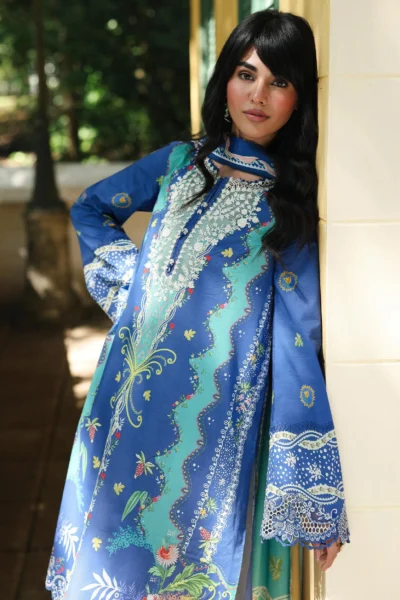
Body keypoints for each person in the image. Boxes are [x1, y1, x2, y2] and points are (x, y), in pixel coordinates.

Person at [46, 9, 350, 600]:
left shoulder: (289, 208)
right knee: (103, 560)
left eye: (279, 82)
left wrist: (313, 496)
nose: (257, 95)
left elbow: (298, 343)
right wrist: (136, 291)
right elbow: (91, 208)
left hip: (208, 427)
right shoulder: (179, 162)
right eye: (246, 74)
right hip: (124, 399)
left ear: (299, 101)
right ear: (226, 78)